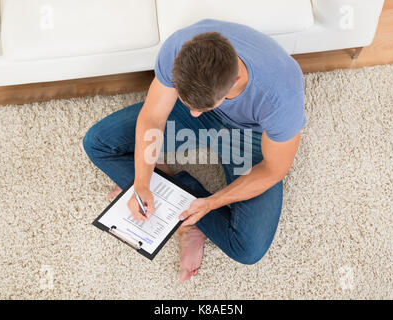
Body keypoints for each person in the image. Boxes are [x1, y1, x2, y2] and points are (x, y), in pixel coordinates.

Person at [83, 19, 306, 282]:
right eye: (187, 102)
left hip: (251, 134)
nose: (193, 113)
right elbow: (154, 116)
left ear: (235, 80)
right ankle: (164, 186)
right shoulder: (181, 48)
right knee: (97, 142)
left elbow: (274, 169)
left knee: (248, 249)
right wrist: (141, 183)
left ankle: (184, 208)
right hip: (205, 106)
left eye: (200, 106)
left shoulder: (281, 97)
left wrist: (210, 203)